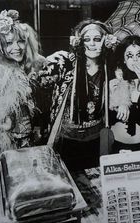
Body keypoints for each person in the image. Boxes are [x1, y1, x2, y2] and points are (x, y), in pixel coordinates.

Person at [38, 19, 116, 170]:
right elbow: (38, 77)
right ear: (79, 42)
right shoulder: (65, 62)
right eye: (87, 39)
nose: (92, 44)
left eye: (97, 39)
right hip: (67, 138)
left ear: (105, 41)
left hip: (96, 138)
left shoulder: (109, 67)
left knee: (93, 182)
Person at [0, 10, 44, 160]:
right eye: (9, 43)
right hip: (4, 141)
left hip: (29, 139)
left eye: (21, 41)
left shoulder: (30, 67)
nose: (17, 47)